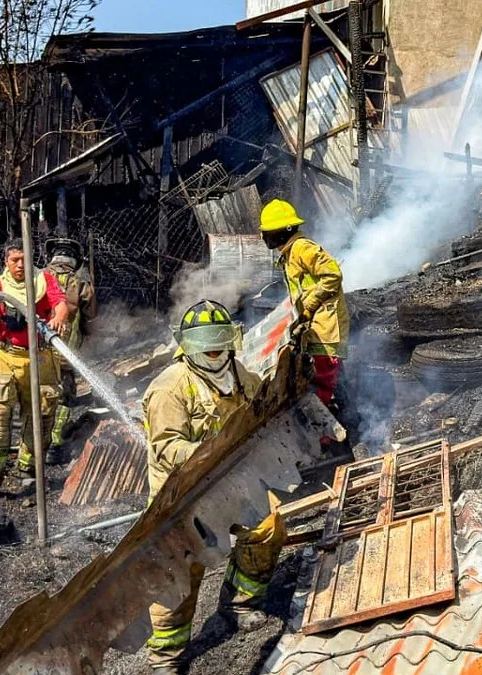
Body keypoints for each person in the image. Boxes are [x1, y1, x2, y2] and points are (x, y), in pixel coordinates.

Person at [142, 300, 285, 674]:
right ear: (189, 345)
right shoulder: (170, 388)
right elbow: (166, 448)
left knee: (267, 528)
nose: (215, 350)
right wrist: (213, 453)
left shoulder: (240, 375)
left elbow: (258, 413)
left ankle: (240, 603)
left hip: (230, 484)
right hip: (182, 498)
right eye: (207, 343)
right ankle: (166, 655)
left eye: (220, 341)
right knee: (179, 570)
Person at [0, 239, 69, 498]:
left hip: (40, 357)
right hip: (6, 356)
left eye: (24, 260)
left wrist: (59, 316)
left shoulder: (44, 280)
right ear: (7, 261)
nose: (19, 265)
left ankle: (29, 470)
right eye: (14, 260)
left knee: (41, 415)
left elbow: (60, 303)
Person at [259, 199, 350, 408]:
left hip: (326, 326)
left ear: (282, 231)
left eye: (268, 231)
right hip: (317, 324)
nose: (264, 236)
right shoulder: (290, 253)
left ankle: (322, 425)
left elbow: (333, 275)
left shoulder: (302, 248)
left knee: (322, 378)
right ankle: (346, 414)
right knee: (330, 375)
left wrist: (308, 308)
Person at [43, 237, 97, 462]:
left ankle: (36, 444)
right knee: (65, 394)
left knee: (41, 391)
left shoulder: (38, 278)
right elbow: (90, 315)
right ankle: (55, 446)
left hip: (39, 349)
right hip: (66, 350)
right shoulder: (81, 283)